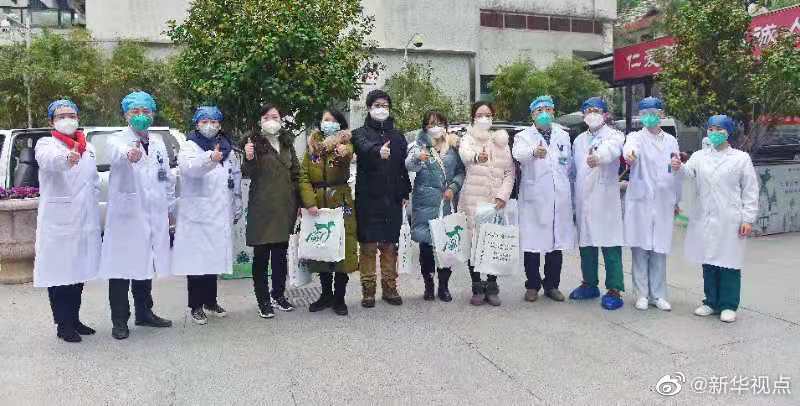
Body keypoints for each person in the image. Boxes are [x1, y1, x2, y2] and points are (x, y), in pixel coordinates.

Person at [99, 91, 175, 339]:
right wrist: (128, 154)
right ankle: (119, 320)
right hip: (127, 216)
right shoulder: (116, 139)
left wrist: (169, 208)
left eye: (146, 111)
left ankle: (144, 312)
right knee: (121, 268)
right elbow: (118, 153)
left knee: (145, 263)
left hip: (153, 213)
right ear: (126, 115)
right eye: (135, 111)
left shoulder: (158, 142)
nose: (141, 116)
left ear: (153, 114)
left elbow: (166, 177)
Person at [674, 115, 758, 323]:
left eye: (719, 129)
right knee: (709, 260)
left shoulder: (740, 158)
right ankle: (711, 302)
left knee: (729, 262)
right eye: (711, 129)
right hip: (705, 216)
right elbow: (688, 174)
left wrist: (747, 219)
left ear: (728, 132)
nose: (714, 133)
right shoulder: (699, 156)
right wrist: (678, 166)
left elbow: (750, 190)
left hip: (730, 218)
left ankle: (728, 304)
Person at [33, 100, 101, 343]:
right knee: (59, 274)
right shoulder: (46, 144)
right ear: (51, 121)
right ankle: (63, 324)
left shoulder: (88, 147)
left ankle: (75, 319)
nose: (67, 120)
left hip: (84, 219)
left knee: (78, 272)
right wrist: (66, 158)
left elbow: (93, 180)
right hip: (59, 221)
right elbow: (48, 160)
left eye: (71, 115)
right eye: (61, 116)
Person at [171, 106, 243, 324]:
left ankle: (211, 301)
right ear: (197, 124)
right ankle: (196, 306)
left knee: (214, 258)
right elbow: (190, 168)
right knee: (196, 261)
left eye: (214, 122)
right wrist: (210, 158)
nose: (209, 126)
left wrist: (236, 204)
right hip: (197, 214)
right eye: (205, 121)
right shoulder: (189, 146)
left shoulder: (227, 148)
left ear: (220, 125)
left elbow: (234, 177)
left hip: (219, 212)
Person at [512, 96, 575, 303]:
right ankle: (532, 285)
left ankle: (552, 285)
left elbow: (568, 164)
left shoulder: (563, 135)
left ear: (554, 112)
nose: (544, 113)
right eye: (539, 111)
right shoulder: (524, 136)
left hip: (559, 197)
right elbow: (518, 154)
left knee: (555, 244)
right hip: (535, 198)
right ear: (532, 115)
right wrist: (533, 152)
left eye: (548, 109)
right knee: (532, 245)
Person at [352, 89, 412, 308]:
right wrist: (378, 151)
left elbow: (402, 168)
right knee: (368, 246)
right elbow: (363, 147)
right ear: (369, 108)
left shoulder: (398, 136)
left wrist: (405, 192)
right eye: (377, 105)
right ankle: (368, 291)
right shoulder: (359, 133)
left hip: (392, 198)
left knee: (389, 246)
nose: (381, 109)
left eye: (385, 105)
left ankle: (390, 288)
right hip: (368, 199)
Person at [622, 97, 682, 312]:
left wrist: (677, 200)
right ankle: (641, 294)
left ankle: (658, 295)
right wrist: (630, 157)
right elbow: (630, 151)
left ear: (661, 114)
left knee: (659, 250)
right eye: (644, 113)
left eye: (653, 113)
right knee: (640, 249)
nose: (649, 117)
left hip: (664, 200)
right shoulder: (635, 137)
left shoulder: (671, 141)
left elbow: (675, 171)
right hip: (641, 201)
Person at [242, 104, 300, 318]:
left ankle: (278, 295)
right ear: (260, 121)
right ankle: (263, 300)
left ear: (281, 120)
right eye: (266, 117)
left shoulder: (287, 143)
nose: (271, 121)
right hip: (262, 208)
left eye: (275, 117)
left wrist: (301, 203)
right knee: (261, 256)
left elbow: (296, 173)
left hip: (284, 206)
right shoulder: (253, 143)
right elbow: (247, 172)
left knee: (280, 256)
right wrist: (248, 157)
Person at [298, 108, 357, 316]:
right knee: (321, 247)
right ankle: (325, 294)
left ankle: (339, 297)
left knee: (341, 247)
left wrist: (343, 152)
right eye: (325, 119)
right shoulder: (312, 148)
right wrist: (309, 202)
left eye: (332, 120)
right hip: (318, 203)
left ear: (339, 124)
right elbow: (304, 176)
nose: (328, 123)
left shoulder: (345, 143)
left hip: (340, 201)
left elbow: (347, 156)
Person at [569, 97, 626, 310]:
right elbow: (574, 171)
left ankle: (614, 289)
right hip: (583, 199)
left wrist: (598, 158)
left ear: (605, 114)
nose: (592, 114)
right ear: (583, 115)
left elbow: (611, 150)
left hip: (605, 199)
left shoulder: (615, 135)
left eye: (597, 110)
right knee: (586, 244)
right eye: (588, 110)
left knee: (610, 244)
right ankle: (589, 284)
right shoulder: (578, 140)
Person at [458, 102, 515, 306]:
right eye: (480, 115)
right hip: (472, 200)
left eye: (488, 115)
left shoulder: (500, 141)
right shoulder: (467, 138)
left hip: (495, 202)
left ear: (493, 117)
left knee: (493, 242)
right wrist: (476, 157)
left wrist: (503, 195)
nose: (484, 118)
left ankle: (492, 286)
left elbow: (509, 172)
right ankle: (477, 286)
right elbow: (464, 155)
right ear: (473, 117)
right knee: (473, 243)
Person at [406, 111, 465, 302]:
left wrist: (453, 188)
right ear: (425, 127)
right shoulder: (419, 146)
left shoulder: (453, 146)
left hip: (445, 203)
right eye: (431, 124)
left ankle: (444, 286)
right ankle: (429, 285)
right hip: (424, 202)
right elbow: (409, 165)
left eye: (439, 123)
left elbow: (461, 172)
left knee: (446, 245)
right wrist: (418, 158)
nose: (435, 127)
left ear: (446, 126)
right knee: (426, 247)